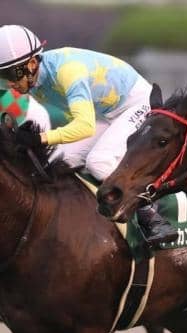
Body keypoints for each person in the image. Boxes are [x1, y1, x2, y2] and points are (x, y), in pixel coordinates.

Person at [0, 24, 177, 246]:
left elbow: (84, 126)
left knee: (98, 162)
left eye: (11, 74)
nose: (10, 84)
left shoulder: (67, 71)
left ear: (32, 64)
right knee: (56, 160)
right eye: (3, 76)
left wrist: (40, 138)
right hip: (104, 113)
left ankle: (152, 216)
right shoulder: (31, 81)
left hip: (137, 103)